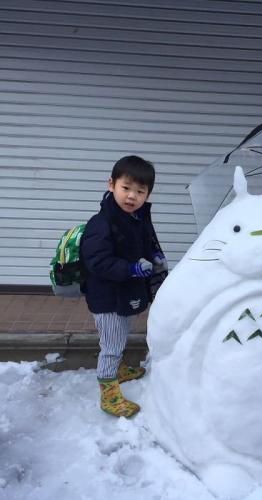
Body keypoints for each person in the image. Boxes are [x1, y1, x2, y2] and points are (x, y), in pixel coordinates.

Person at [80, 155, 168, 418]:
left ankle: (117, 368)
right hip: (107, 297)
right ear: (111, 184)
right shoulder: (102, 223)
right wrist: (129, 269)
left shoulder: (135, 218)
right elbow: (97, 261)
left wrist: (154, 256)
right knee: (111, 344)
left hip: (125, 293)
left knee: (120, 332)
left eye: (140, 191)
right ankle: (108, 389)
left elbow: (141, 245)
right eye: (126, 188)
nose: (132, 196)